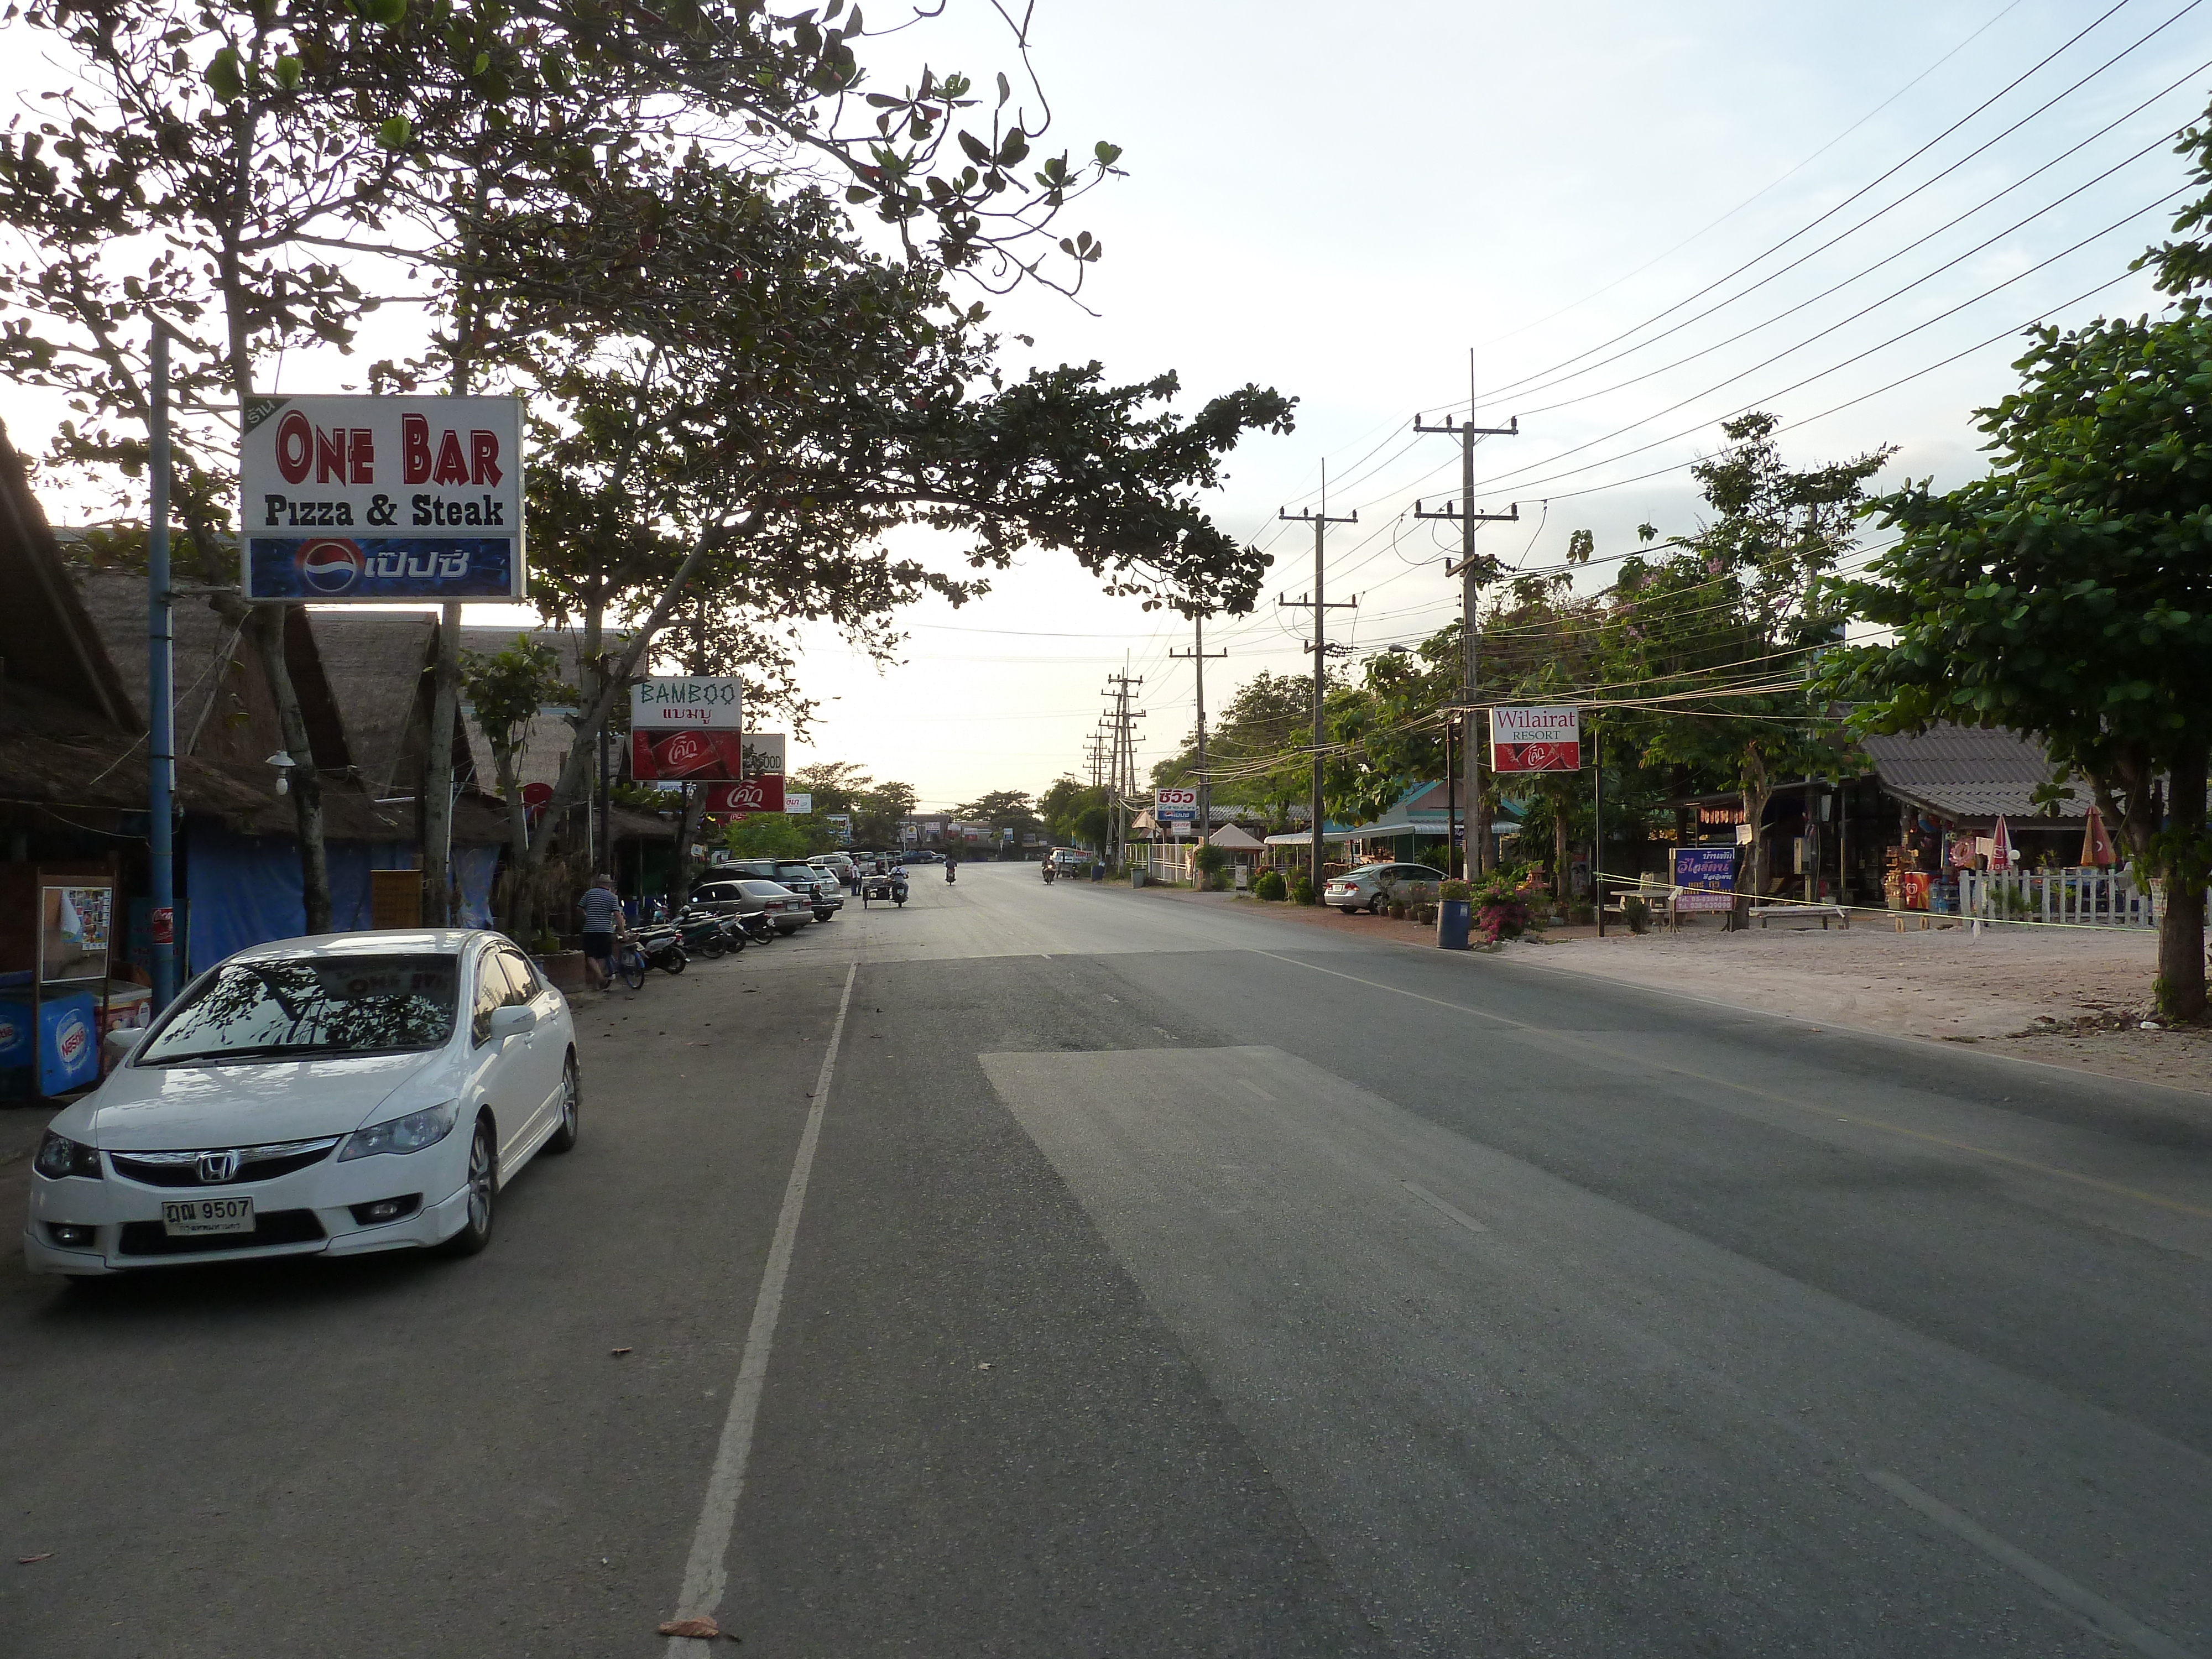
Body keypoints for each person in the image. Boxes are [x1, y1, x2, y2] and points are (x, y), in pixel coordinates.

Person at [579, 873, 622, 992]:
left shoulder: (590, 893)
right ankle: (599, 980)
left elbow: (580, 907)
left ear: (598, 883)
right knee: (602, 956)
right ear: (609, 885)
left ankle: (597, 982)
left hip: (590, 929)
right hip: (605, 931)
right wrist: (623, 931)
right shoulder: (612, 897)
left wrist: (586, 916)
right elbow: (618, 915)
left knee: (590, 956)